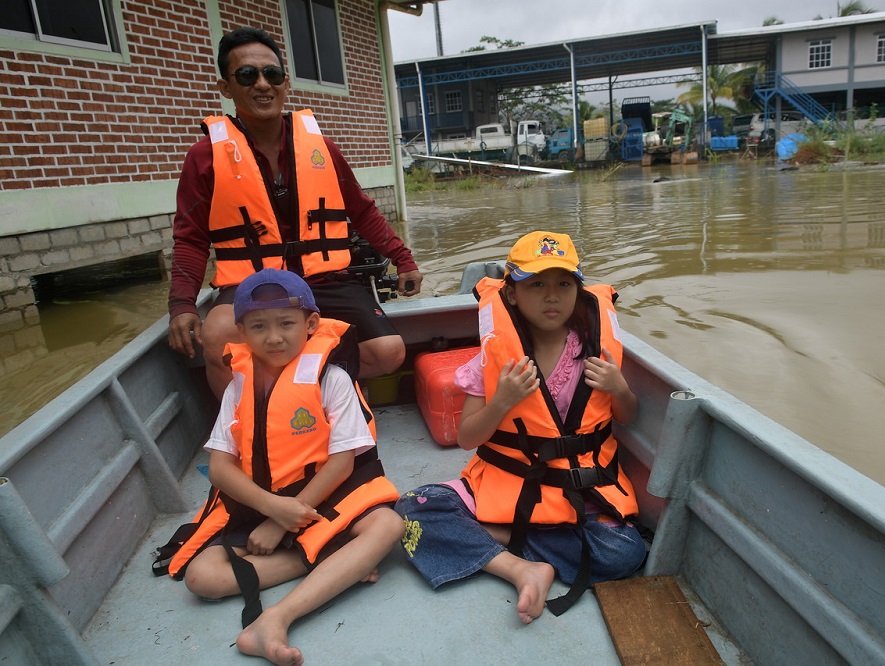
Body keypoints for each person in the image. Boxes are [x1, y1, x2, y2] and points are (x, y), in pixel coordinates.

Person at [153, 269, 404, 666]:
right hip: (265, 501)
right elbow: (220, 468)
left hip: (323, 492)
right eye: (258, 326)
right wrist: (273, 509)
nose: (274, 337)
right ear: (241, 333)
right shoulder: (239, 386)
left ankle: (278, 617)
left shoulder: (331, 378)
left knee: (389, 526)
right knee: (202, 578)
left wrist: (286, 519)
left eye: (287, 324)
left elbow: (342, 462)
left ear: (311, 324)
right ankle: (330, 557)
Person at [394, 231, 646, 624]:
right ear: (511, 294)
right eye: (536, 285)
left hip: (578, 489)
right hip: (508, 483)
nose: (551, 296)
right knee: (412, 509)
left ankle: (504, 542)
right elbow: (468, 438)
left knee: (625, 552)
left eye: (564, 284)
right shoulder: (492, 360)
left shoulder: (595, 353)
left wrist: (620, 388)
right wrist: (502, 401)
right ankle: (522, 568)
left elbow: (627, 415)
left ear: (579, 292)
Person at [167, 26, 422, 399]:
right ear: (226, 87)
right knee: (217, 335)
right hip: (251, 283)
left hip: (327, 278)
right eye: (247, 75)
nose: (262, 85)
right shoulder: (204, 157)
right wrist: (181, 304)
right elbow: (190, 237)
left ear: (285, 83)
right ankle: (249, 431)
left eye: (271, 74)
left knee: (388, 353)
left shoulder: (322, 148)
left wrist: (404, 259)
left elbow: (362, 211)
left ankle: (298, 390)